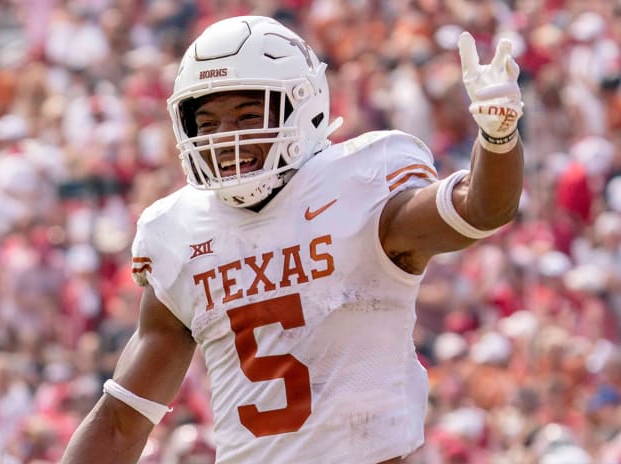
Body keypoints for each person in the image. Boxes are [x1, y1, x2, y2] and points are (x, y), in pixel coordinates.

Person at [62, 15, 524, 464]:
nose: (226, 139)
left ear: (304, 107)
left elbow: (480, 209)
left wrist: (498, 138)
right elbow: (123, 418)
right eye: (208, 125)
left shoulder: (358, 188)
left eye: (246, 116)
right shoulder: (179, 233)